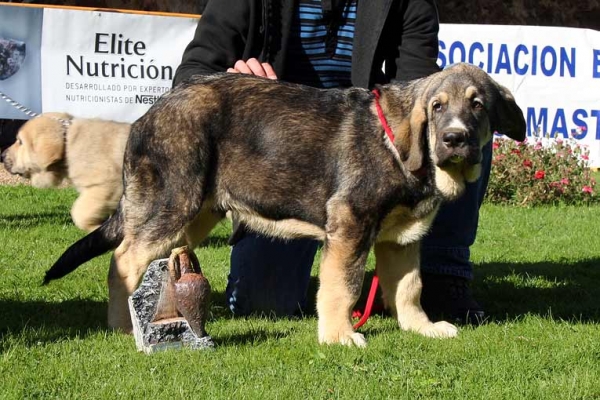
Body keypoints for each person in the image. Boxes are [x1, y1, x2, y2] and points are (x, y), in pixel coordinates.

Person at [173, 0, 488, 324]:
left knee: (461, 129)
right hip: (278, 162)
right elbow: (191, 76)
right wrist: (232, 85)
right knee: (263, 304)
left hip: (363, 160)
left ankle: (442, 276)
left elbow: (417, 96)